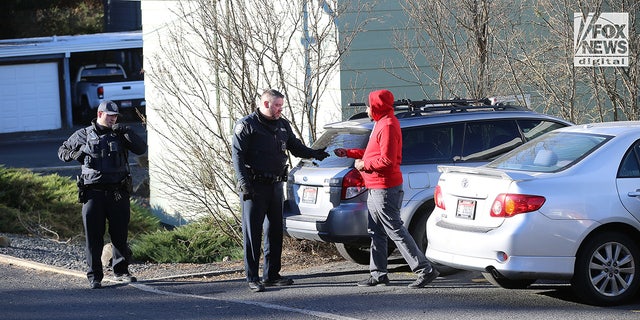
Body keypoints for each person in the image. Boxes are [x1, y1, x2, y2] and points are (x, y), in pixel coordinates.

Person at [334, 89, 439, 288]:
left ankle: (425, 269)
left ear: (377, 106)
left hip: (385, 187)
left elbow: (388, 160)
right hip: (374, 186)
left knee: (395, 230)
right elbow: (374, 152)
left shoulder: (388, 125)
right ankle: (378, 274)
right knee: (376, 232)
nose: (366, 109)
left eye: (369, 105)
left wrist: (363, 165)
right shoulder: (380, 123)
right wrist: (350, 152)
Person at [232, 89, 330, 292]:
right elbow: (238, 157)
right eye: (277, 106)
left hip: (276, 186)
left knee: (275, 232)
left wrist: (316, 154)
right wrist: (243, 183)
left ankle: (271, 275)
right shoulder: (247, 125)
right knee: (253, 234)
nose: (280, 110)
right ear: (266, 104)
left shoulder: (282, 125)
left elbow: (295, 147)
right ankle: (253, 277)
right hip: (254, 187)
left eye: (281, 106)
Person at [58, 100, 147, 289]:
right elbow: (62, 151)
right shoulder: (83, 134)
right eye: (110, 115)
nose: (113, 119)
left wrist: (128, 131)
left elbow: (141, 149)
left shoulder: (120, 133)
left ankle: (121, 272)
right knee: (93, 237)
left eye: (115, 116)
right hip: (93, 194)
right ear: (100, 114)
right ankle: (94, 276)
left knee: (119, 235)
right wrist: (75, 155)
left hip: (117, 193)